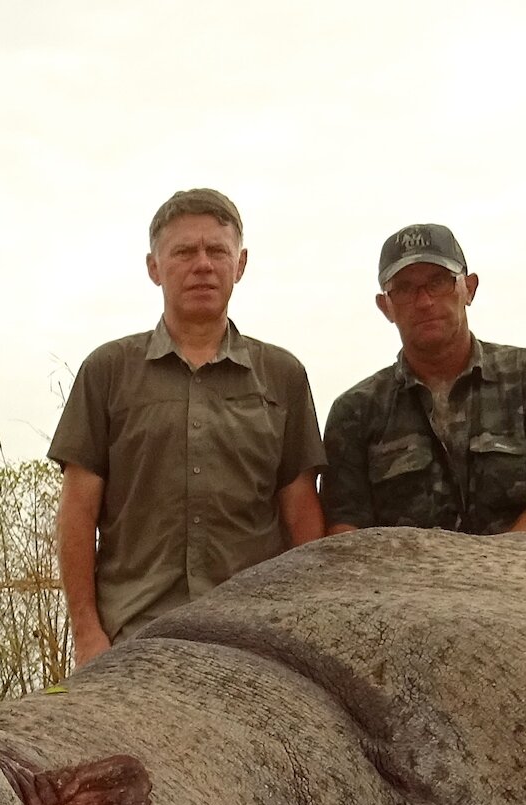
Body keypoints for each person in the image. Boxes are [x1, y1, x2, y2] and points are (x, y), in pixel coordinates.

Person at [49, 188, 327, 664]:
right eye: (183, 252)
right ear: (154, 267)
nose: (203, 264)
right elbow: (77, 512)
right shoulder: (107, 370)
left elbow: (302, 513)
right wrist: (87, 634)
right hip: (132, 634)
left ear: (239, 265)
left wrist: (309, 628)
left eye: (217, 251)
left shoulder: (283, 374)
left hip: (256, 635)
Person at [321, 223, 526, 537]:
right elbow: (344, 532)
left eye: (439, 282)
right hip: (404, 586)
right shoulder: (355, 412)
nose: (424, 302)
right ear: (385, 306)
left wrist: (491, 571)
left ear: (468, 288)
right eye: (404, 289)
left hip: (524, 580)